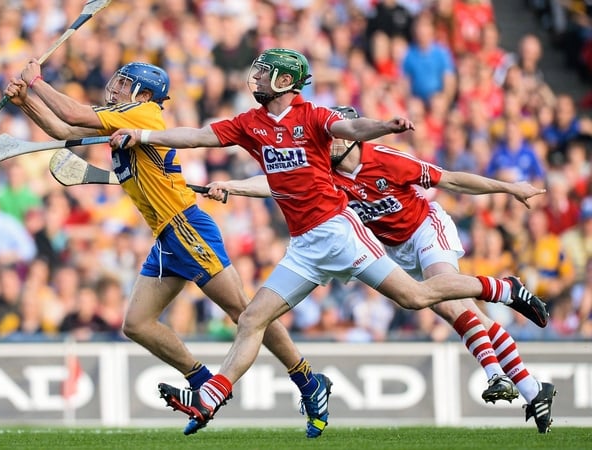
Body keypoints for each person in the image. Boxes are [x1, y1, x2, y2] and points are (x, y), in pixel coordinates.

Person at [109, 48, 550, 435]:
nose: (255, 78)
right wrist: (145, 136)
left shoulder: (314, 116)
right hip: (303, 246)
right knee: (251, 319)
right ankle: (211, 397)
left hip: (340, 233)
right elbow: (200, 138)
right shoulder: (251, 124)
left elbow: (354, 129)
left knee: (416, 298)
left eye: (265, 73)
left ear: (285, 82)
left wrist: (386, 127)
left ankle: (502, 288)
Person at [2, 59, 332, 438]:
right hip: (166, 235)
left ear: (144, 95)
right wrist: (26, 100)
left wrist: (38, 81)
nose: (116, 90)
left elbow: (71, 113)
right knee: (138, 324)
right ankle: (202, 380)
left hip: (187, 226)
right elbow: (62, 128)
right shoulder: (121, 116)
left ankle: (308, 381)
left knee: (245, 313)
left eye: (125, 86)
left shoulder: (144, 113)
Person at [201, 105, 557, 433]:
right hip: (395, 248)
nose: (329, 141)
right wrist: (232, 187)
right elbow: (274, 184)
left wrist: (509, 188)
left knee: (448, 298)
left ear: (355, 136)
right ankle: (533, 388)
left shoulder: (386, 160)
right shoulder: (323, 167)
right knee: (452, 309)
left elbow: (451, 179)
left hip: (425, 228)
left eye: (336, 135)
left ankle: (496, 371)